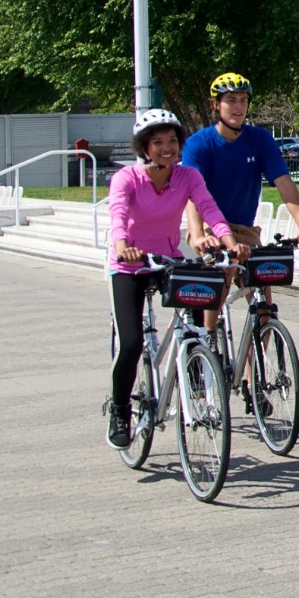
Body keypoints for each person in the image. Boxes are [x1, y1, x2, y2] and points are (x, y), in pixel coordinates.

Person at [104, 109, 250, 449]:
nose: (167, 148)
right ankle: (120, 408)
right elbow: (119, 214)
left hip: (168, 258)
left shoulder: (187, 177)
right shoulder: (127, 178)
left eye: (172, 141)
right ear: (144, 147)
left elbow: (209, 209)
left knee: (199, 305)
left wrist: (230, 243)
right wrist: (123, 245)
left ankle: (197, 365)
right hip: (131, 264)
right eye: (158, 143)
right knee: (131, 343)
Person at [181, 72, 299, 355]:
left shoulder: (259, 139)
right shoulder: (199, 143)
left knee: (264, 303)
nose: (238, 107)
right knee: (220, 281)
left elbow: (284, 183)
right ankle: (209, 347)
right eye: (230, 100)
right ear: (215, 105)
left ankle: (251, 379)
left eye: (243, 100)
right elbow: (193, 194)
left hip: (245, 231)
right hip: (211, 229)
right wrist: (196, 235)